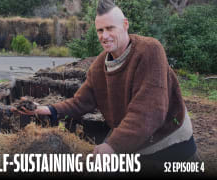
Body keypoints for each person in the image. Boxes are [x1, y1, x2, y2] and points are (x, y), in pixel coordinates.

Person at [13, 0, 199, 169]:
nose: (105, 36)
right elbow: (81, 101)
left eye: (110, 28)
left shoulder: (150, 50)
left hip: (169, 142)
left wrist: (113, 145)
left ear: (125, 25)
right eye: (100, 30)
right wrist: (46, 109)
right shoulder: (100, 65)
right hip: (135, 142)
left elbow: (148, 112)